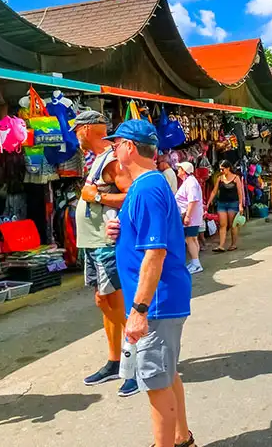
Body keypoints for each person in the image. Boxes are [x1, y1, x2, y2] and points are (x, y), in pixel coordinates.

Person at [104, 120, 196, 447]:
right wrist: (119, 233)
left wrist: (139, 310)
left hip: (155, 302)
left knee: (156, 382)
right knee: (167, 375)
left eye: (116, 144)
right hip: (160, 299)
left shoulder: (147, 187)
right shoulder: (146, 186)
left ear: (130, 146)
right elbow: (145, 238)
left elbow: (155, 253)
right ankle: (182, 438)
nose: (113, 150)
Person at [73, 110, 137, 397]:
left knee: (118, 305)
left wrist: (97, 196)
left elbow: (132, 194)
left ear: (87, 130)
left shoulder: (111, 160)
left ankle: (137, 363)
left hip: (106, 244)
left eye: (77, 130)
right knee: (103, 301)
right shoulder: (99, 160)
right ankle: (115, 360)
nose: (75, 135)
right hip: (94, 243)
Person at [206, 160, 245, 252]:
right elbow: (214, 191)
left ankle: (233, 244)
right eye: (220, 169)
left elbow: (240, 193)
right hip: (222, 203)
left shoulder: (236, 178)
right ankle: (221, 245)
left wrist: (240, 205)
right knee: (223, 225)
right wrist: (208, 203)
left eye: (222, 169)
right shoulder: (220, 178)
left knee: (233, 225)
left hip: (233, 203)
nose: (221, 171)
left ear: (228, 168)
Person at [175, 162, 204, 275]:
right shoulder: (188, 181)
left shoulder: (191, 183)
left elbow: (193, 200)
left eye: (179, 168)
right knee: (193, 239)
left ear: (184, 170)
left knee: (190, 239)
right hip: (191, 215)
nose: (177, 170)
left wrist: (187, 216)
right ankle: (195, 261)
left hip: (190, 216)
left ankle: (196, 264)